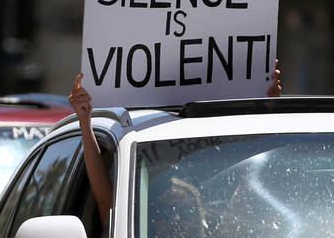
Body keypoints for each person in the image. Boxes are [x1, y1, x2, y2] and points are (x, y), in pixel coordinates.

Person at [69, 61, 283, 226]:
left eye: (183, 213)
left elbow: (252, 179)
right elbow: (104, 197)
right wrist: (85, 123)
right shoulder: (123, 234)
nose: (175, 221)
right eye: (167, 211)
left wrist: (262, 102)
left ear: (201, 216)